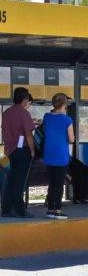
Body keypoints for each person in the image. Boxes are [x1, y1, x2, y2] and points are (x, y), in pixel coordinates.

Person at [1, 87, 36, 218]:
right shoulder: (23, 113)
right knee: (20, 181)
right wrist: (32, 150)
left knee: (10, 180)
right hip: (22, 151)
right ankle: (20, 210)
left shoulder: (7, 112)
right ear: (25, 98)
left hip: (9, 151)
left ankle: (6, 209)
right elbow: (28, 134)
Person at [42, 93, 74, 220]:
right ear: (64, 105)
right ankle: (58, 210)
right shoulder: (67, 120)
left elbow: (45, 131)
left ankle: (50, 209)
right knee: (59, 183)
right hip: (61, 155)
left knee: (52, 183)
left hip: (48, 154)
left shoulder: (47, 117)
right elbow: (71, 139)